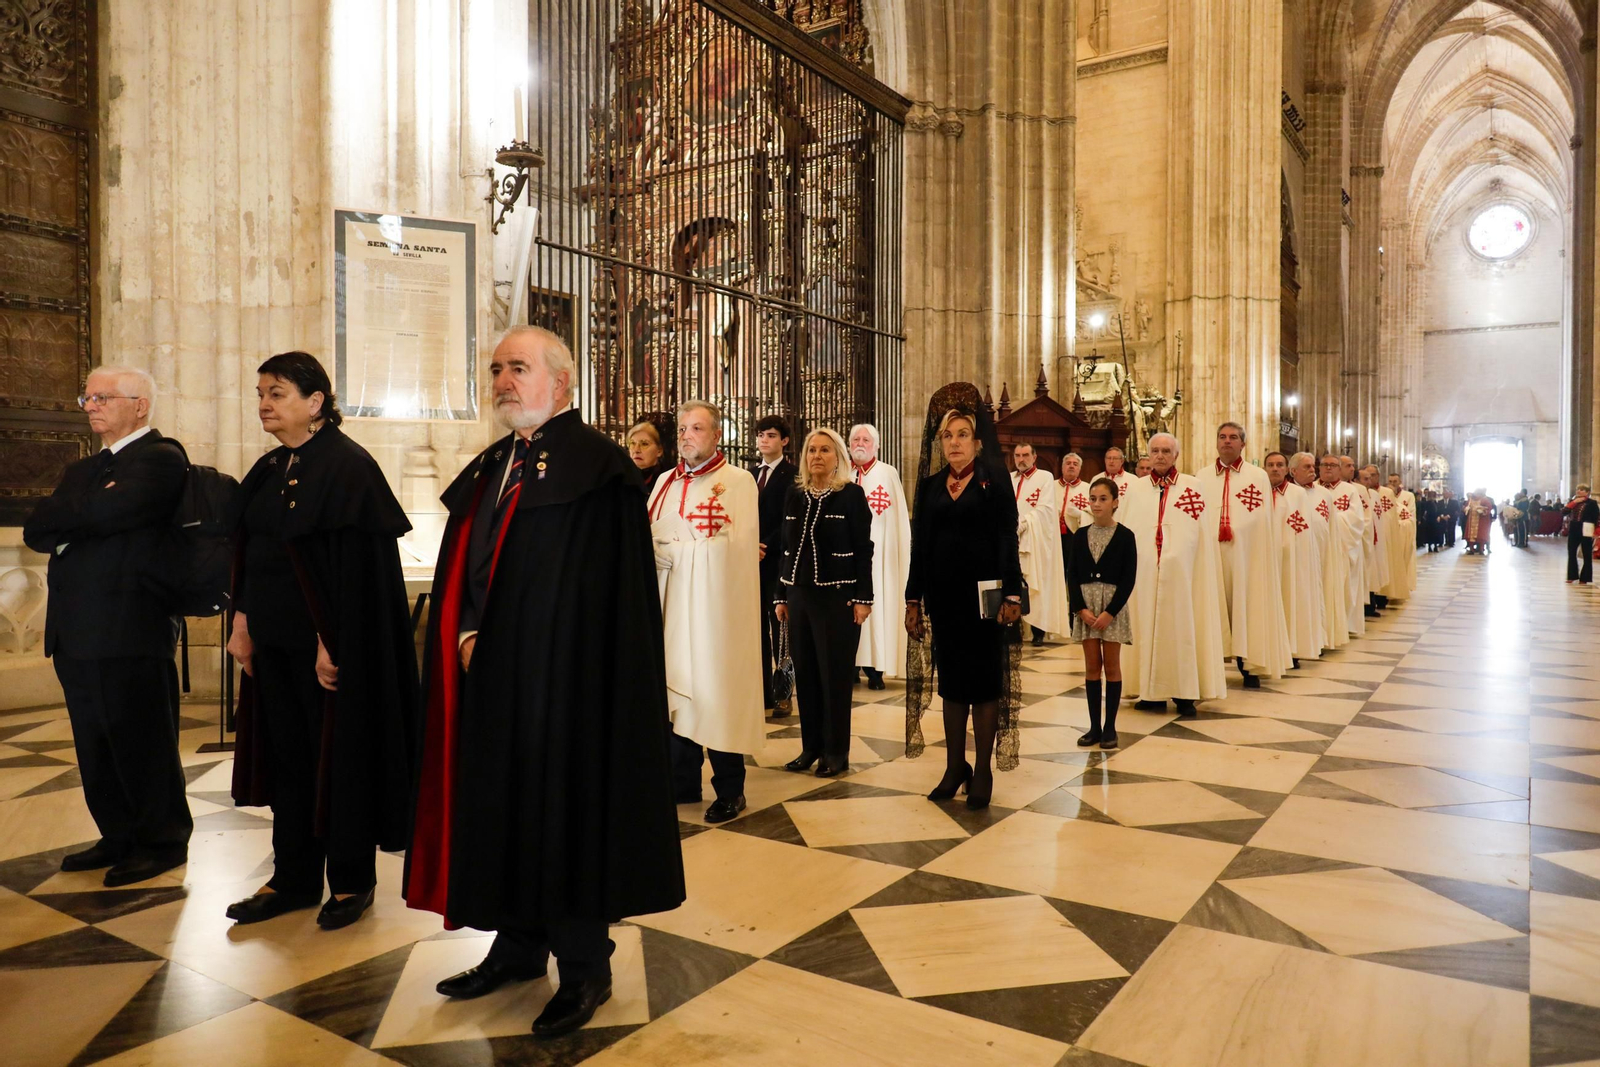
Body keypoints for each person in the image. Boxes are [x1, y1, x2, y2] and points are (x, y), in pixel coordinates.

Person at [405, 327, 683, 1037]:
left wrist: (579, 677)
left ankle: (586, 967)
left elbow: (612, 598)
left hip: (571, 688)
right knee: (501, 809)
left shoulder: (598, 467)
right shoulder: (495, 462)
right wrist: (466, 633)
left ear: (561, 381)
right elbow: (468, 570)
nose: (503, 379)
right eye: (497, 367)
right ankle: (518, 946)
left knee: (567, 816)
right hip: (494, 683)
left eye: (518, 367)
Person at [221, 354, 419, 930]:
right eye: (261, 393)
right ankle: (294, 877)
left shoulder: (348, 468)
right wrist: (241, 623)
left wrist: (332, 643)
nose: (264, 403)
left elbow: (357, 578)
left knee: (340, 761)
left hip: (329, 652)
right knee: (288, 760)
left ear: (315, 401)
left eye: (277, 393)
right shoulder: (271, 467)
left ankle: (352, 880)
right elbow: (252, 554)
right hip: (273, 645)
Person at [22, 365, 191, 888]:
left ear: (140, 405)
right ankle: (118, 833)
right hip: (75, 630)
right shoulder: (85, 470)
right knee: (94, 742)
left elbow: (107, 512)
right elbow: (37, 529)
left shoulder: (162, 459)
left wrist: (75, 515)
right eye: (87, 397)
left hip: (129, 625)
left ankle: (161, 841)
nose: (90, 405)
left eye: (102, 396)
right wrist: (82, 513)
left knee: (141, 738)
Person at [904, 384, 1024, 810]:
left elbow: (1007, 538)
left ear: (977, 442)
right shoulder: (933, 486)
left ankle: (984, 770)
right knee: (952, 686)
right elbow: (921, 547)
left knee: (985, 685)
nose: (953, 443)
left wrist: (1014, 592)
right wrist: (913, 599)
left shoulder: (994, 484)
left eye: (961, 435)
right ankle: (955, 768)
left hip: (988, 600)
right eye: (946, 436)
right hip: (945, 598)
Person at [649, 400, 764, 822]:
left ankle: (731, 789)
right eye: (682, 429)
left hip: (716, 615)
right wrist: (654, 551)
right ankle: (682, 782)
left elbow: (736, 550)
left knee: (716, 695)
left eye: (697, 428)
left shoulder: (738, 482)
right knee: (676, 688)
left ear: (717, 435)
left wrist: (679, 553)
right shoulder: (665, 482)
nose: (686, 436)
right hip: (671, 606)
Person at [773, 428, 874, 776]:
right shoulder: (794, 495)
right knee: (808, 675)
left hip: (838, 598)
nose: (817, 455)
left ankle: (836, 752)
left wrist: (863, 598)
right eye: (812, 450)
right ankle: (810, 747)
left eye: (825, 450)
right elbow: (785, 550)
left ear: (838, 457)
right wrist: (781, 594)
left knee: (834, 677)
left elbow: (864, 550)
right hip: (799, 595)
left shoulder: (851, 496)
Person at [1120, 432, 1225, 716]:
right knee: (1145, 627)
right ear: (1148, 454)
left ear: (1176, 455)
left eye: (1166, 451)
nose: (1160, 456)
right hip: (1143, 573)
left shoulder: (1194, 487)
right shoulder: (1136, 488)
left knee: (1184, 627)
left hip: (1184, 575)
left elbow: (1199, 535)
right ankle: (1150, 691)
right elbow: (1128, 529)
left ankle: (1185, 692)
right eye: (1155, 450)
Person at [1198, 422, 1290, 687]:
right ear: (1216, 442)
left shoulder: (1257, 476)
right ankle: (1211, 663)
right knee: (1212, 604)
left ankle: (1248, 663)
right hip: (1213, 553)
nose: (1227, 441)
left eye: (1233, 437)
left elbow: (1262, 519)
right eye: (1223, 437)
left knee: (1246, 604)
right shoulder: (1201, 477)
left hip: (1246, 555)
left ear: (1243, 444)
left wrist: (1241, 531)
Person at [1068, 477, 1137, 750]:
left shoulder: (1125, 535)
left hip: (1112, 607)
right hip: (1086, 604)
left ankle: (1110, 727)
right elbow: (1071, 575)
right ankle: (1094, 727)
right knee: (1092, 667)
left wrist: (1110, 612)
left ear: (1115, 502)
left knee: (1112, 666)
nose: (1096, 504)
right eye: (1093, 498)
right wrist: (1080, 609)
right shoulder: (1080, 535)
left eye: (1103, 499)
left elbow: (1128, 578)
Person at [850, 423, 910, 689]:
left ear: (877, 444)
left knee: (878, 608)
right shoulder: (842, 472)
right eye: (855, 439)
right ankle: (849, 665)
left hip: (880, 557)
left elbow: (898, 521)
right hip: (848, 556)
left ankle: (875, 668)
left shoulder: (887, 473)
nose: (860, 443)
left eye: (866, 439)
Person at [751, 415, 796, 713]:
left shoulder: (793, 475)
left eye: (770, 435)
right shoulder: (749, 474)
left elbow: (791, 519)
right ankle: (759, 690)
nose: (763, 440)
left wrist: (765, 544)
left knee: (780, 628)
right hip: (749, 560)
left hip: (777, 559)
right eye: (760, 435)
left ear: (784, 441)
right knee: (754, 628)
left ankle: (783, 691)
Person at [1267, 451, 1321, 666]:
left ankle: (1291, 648)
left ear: (1287, 469)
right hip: (1264, 557)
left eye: (1279, 464)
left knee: (1289, 600)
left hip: (1289, 558)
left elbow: (1301, 526)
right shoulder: (1258, 491)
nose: (1275, 468)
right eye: (1270, 464)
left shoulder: (1297, 494)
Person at [1012, 442, 1069, 646]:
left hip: (1035, 539)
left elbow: (1045, 509)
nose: (1021, 459)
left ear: (1034, 457)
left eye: (1025, 454)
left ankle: (1038, 629)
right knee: (1013, 583)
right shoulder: (1010, 478)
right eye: (1017, 455)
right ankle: (1014, 629)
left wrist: (1023, 524)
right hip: (1012, 539)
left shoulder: (1044, 477)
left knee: (1036, 582)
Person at [1290, 451, 1338, 652]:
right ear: (1293, 471)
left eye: (1313, 466)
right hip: (1296, 556)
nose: (1312, 470)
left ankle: (1319, 637)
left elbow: (1333, 527)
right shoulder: (1288, 493)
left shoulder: (1324, 494)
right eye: (1307, 467)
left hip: (1322, 551)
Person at [1320, 455, 1367, 641]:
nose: (1328, 469)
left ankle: (1341, 626)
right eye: (1324, 465)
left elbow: (1356, 519)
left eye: (1333, 465)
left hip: (1343, 548)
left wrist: (1332, 520)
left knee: (1342, 588)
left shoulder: (1350, 491)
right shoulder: (1312, 489)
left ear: (1339, 469)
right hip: (1320, 548)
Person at [1358, 465, 1393, 611]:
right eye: (1365, 478)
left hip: (1375, 539)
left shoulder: (1375, 495)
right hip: (1362, 539)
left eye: (1371, 477)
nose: (1369, 481)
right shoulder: (1356, 494)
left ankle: (1374, 600)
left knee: (1374, 570)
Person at [1382, 473, 1417, 599]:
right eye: (1390, 480)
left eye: (1395, 481)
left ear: (1400, 481)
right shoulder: (1382, 500)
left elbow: (1410, 517)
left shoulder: (1407, 497)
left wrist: (1399, 526)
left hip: (1401, 536)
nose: (1393, 483)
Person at [1058, 452, 1089, 592]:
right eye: (1068, 463)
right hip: (1053, 536)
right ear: (1062, 467)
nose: (1071, 466)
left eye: (1075, 464)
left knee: (1073, 573)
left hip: (1075, 536)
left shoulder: (1088, 488)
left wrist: (1081, 515)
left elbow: (1093, 513)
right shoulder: (1050, 486)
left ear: (1080, 468)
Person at [627, 418, 672, 494]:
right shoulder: (621, 478)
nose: (636, 450)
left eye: (644, 444)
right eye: (632, 443)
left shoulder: (668, 482)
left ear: (659, 451)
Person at [1567, 485, 1598, 584]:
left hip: (1586, 529)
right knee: (1571, 552)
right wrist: (1573, 503)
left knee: (1586, 554)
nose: (1579, 491)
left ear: (1587, 492)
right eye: (1578, 489)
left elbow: (1597, 517)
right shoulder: (1573, 501)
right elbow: (1563, 512)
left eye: (1582, 490)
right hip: (1574, 529)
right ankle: (1572, 576)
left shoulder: (1592, 503)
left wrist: (1597, 530)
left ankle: (1585, 578)